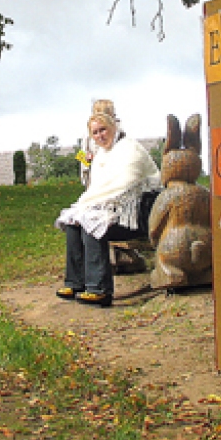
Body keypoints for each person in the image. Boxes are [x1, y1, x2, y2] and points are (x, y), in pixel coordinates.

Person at [55, 101, 160, 306]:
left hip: (138, 212)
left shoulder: (130, 148)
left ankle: (100, 290)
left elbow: (125, 184)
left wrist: (94, 207)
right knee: (74, 222)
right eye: (95, 133)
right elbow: (97, 189)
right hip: (113, 209)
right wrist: (86, 206)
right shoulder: (102, 154)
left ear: (113, 127)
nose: (100, 136)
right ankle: (77, 283)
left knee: (91, 223)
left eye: (103, 130)